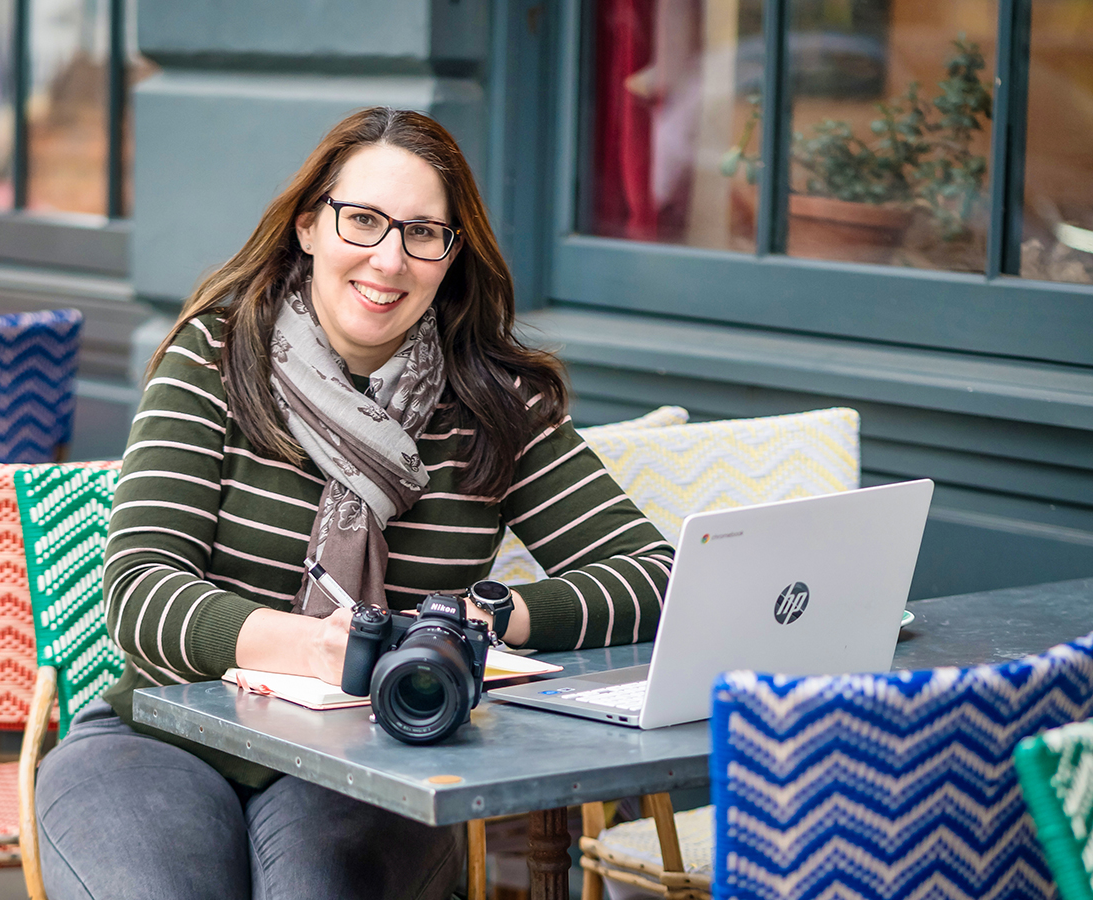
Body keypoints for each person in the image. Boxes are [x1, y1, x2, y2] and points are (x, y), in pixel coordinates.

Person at [34, 107, 675, 900]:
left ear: (451, 256)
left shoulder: (496, 407)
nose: (389, 259)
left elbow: (656, 575)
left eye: (422, 233)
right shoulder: (216, 358)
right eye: (362, 221)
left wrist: (485, 619)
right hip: (162, 737)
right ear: (309, 225)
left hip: (380, 756)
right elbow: (138, 589)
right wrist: (315, 647)